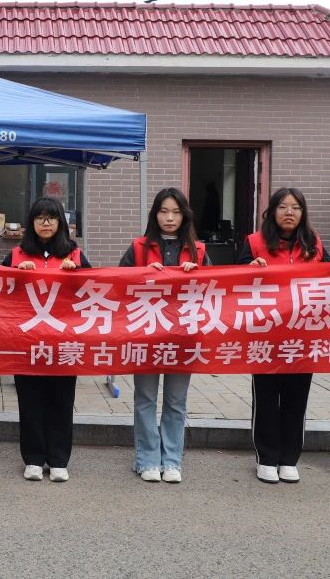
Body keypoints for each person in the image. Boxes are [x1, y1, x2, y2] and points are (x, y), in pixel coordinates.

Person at [237, 187, 330, 485]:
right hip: (266, 337)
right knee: (266, 398)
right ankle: (266, 457)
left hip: (303, 337)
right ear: (272, 211)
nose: (289, 212)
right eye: (283, 206)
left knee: (297, 398)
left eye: (295, 207)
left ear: (303, 213)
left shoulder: (314, 244)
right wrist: (249, 269)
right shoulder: (254, 243)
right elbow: (234, 283)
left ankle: (289, 458)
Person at [118, 188, 207, 484]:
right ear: (155, 215)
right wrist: (141, 275)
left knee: (176, 401)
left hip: (184, 337)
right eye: (164, 211)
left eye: (176, 212)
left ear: (185, 216)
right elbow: (117, 286)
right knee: (145, 398)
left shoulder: (199, 250)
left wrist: (197, 275)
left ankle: (171, 461)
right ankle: (146, 460)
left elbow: (215, 293)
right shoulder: (138, 248)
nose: (170, 218)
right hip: (146, 335)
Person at [3, 197, 91, 483]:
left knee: (62, 401)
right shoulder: (16, 255)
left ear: (61, 222)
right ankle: (33, 458)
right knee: (30, 400)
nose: (45, 223)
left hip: (64, 343)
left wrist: (77, 275)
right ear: (31, 222)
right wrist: (15, 276)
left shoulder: (75, 255)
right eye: (39, 217)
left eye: (51, 218)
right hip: (27, 341)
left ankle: (58, 460)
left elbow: (93, 293)